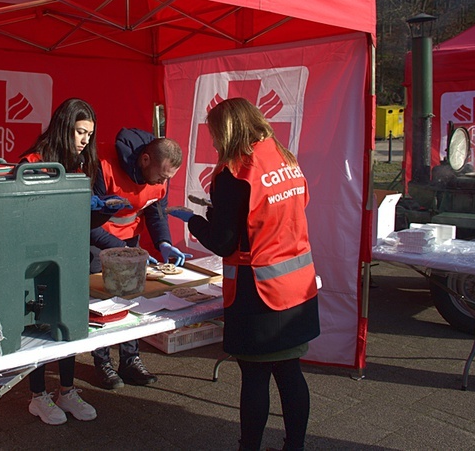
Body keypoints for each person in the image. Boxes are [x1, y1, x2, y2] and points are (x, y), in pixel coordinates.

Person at [169, 97, 320, 451]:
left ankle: (248, 447)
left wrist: (194, 220)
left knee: (255, 375)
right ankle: (295, 446)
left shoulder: (235, 173)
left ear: (227, 131)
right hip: (298, 285)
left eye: (214, 135)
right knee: (290, 372)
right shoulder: (285, 158)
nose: (213, 144)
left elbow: (223, 242)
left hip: (260, 291)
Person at [18, 97, 101, 426]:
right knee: (39, 327)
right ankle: (38, 396)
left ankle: (67, 390)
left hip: (71, 253)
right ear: (65, 128)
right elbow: (25, 214)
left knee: (70, 324)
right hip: (39, 258)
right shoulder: (34, 159)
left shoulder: (80, 162)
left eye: (90, 135)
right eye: (80, 132)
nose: (85, 140)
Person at [90, 128, 192, 389]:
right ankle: (102, 362)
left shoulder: (161, 175)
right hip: (97, 242)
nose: (161, 182)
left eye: (167, 178)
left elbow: (156, 212)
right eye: (160, 175)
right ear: (145, 160)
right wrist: (123, 251)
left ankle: (130, 359)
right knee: (102, 303)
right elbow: (87, 222)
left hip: (129, 242)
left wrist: (164, 243)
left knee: (131, 300)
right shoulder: (102, 166)